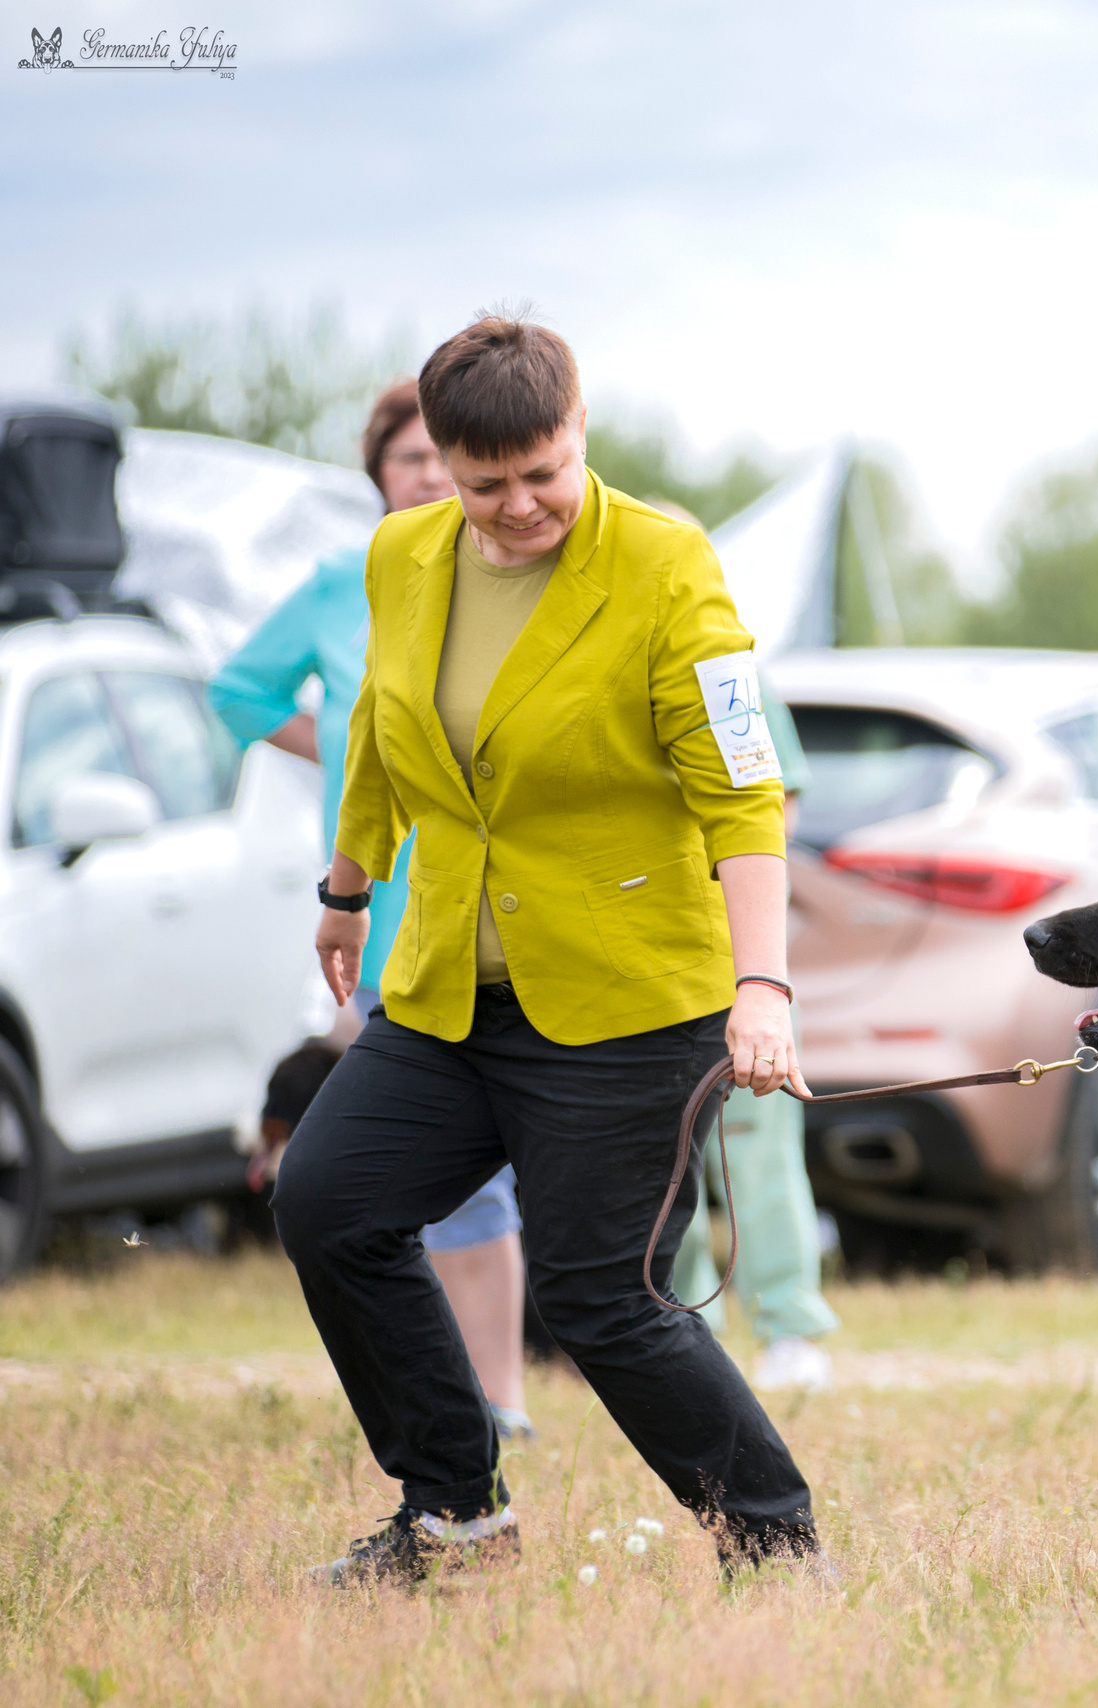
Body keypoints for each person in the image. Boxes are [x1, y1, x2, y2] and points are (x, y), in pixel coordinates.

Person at [271, 314, 820, 1585]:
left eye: (545, 473)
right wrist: (346, 888)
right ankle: (454, 1513)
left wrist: (763, 986)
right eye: (485, 484)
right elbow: (379, 725)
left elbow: (744, 790)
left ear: (580, 434)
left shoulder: (667, 563)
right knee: (330, 1202)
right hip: (453, 987)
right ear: (441, 470)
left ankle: (777, 1540)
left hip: (631, 998)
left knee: (599, 1296)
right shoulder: (403, 554)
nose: (521, 507)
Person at [209, 377, 533, 1441]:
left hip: (494, 906)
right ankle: (438, 1413)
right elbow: (241, 695)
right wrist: (346, 755)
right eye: (411, 462)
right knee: (365, 1178)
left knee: (482, 1178)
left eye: (447, 460)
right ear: (379, 478)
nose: (433, 477)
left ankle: (500, 1400)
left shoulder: (518, 574)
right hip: (376, 907)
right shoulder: (345, 582)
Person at [672, 695, 842, 1391]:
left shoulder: (729, 664)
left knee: (758, 1148)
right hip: (623, 965)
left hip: (730, 954)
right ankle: (682, 1332)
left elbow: (780, 801)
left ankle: (789, 1328)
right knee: (657, 1157)